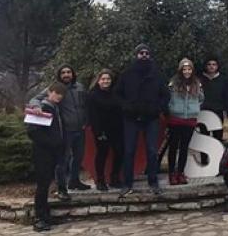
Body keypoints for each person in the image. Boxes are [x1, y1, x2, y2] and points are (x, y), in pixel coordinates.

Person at [115, 44, 170, 196]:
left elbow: (165, 95)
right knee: (129, 151)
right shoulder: (126, 74)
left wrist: (157, 108)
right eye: (141, 53)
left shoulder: (157, 74)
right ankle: (127, 183)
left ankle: (153, 182)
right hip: (131, 118)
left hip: (151, 118)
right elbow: (117, 94)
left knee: (152, 151)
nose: (144, 55)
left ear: (150, 55)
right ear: (136, 55)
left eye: (146, 53)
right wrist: (126, 107)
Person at [29, 64, 89, 198]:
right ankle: (62, 188)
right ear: (59, 75)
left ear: (73, 74)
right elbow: (35, 99)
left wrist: (87, 120)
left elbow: (85, 104)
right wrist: (36, 107)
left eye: (69, 72)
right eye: (63, 73)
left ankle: (75, 181)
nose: (66, 75)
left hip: (80, 129)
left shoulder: (80, 87)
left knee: (78, 157)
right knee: (63, 161)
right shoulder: (55, 89)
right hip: (66, 131)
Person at [26, 82, 67, 232]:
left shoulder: (56, 108)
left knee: (47, 183)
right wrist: (51, 143)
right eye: (56, 93)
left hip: (53, 152)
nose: (58, 96)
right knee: (42, 185)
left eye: (61, 94)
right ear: (49, 92)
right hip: (42, 152)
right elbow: (33, 131)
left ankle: (45, 214)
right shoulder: (41, 108)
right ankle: (39, 217)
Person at [167, 58, 204, 186]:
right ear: (180, 70)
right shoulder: (174, 83)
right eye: (184, 69)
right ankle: (171, 173)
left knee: (184, 147)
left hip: (190, 120)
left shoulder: (196, 84)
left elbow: (201, 98)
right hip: (176, 118)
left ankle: (180, 172)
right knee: (173, 146)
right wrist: (172, 108)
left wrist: (195, 108)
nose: (187, 71)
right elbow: (168, 97)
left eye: (189, 69)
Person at [87, 69, 124, 191]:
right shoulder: (93, 95)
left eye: (108, 79)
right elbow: (92, 115)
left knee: (119, 153)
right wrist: (98, 132)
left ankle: (114, 177)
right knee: (102, 154)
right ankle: (100, 180)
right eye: (103, 79)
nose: (106, 81)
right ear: (98, 81)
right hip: (101, 130)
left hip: (117, 129)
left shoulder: (116, 94)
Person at [200, 56, 227, 140]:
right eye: (209, 64)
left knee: (218, 137)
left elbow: (226, 96)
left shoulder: (223, 79)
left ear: (217, 66)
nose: (211, 66)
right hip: (204, 112)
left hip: (217, 112)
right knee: (204, 138)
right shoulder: (200, 79)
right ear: (205, 66)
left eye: (214, 64)